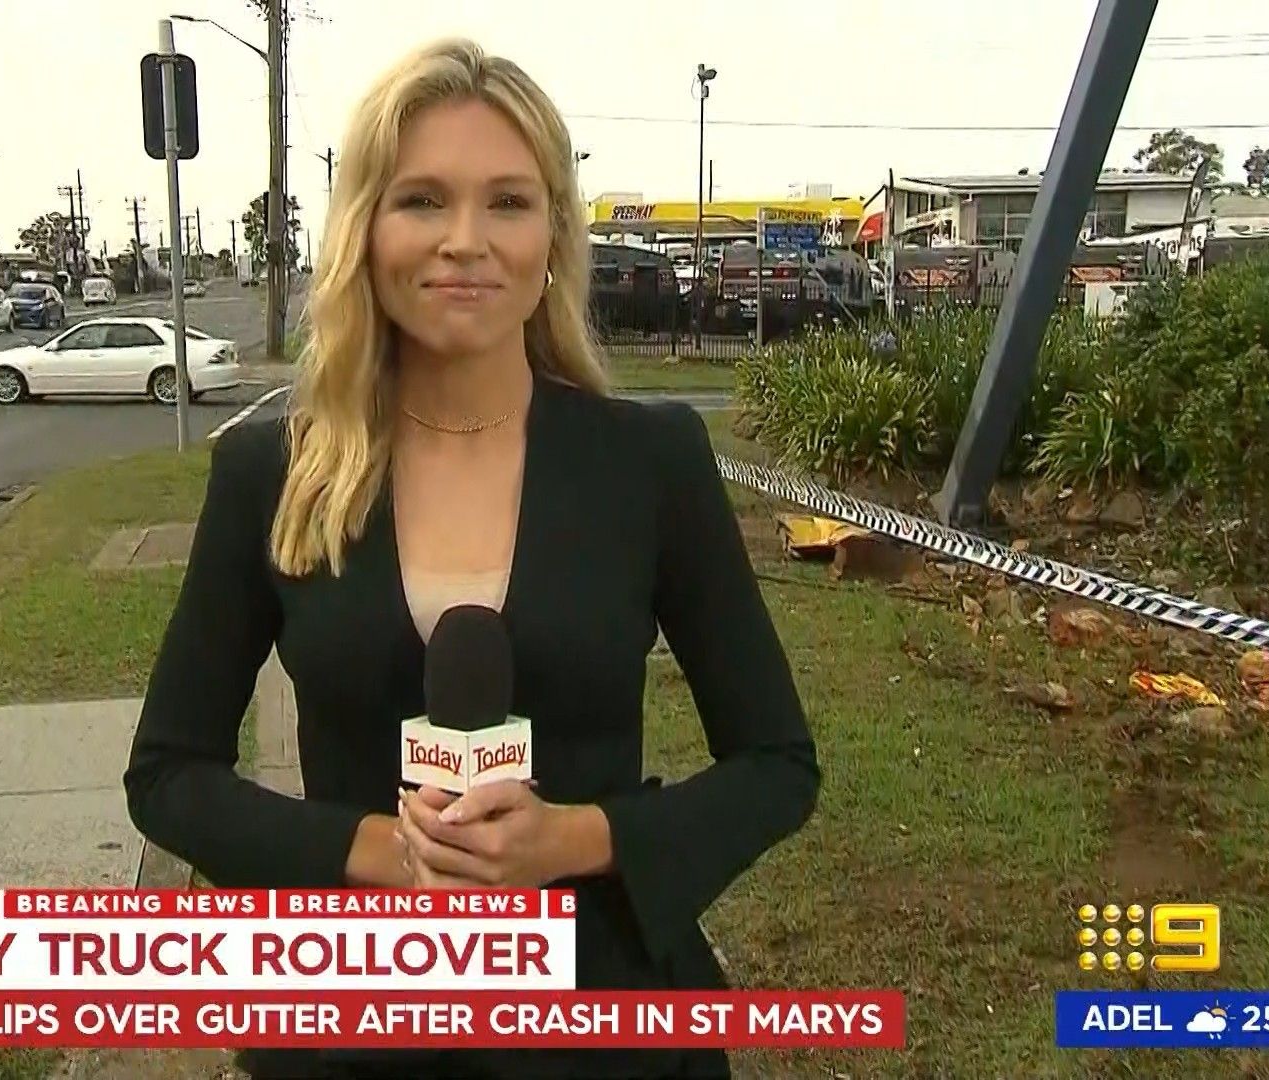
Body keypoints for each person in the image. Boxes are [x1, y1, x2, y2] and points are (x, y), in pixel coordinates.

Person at [125, 37, 820, 1079]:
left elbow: (776, 766)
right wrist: (376, 853)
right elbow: (169, 776)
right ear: (366, 231)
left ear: (553, 238)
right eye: (422, 201)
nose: (466, 241)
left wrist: (572, 840)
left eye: (507, 202)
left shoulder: (652, 462)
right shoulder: (272, 474)